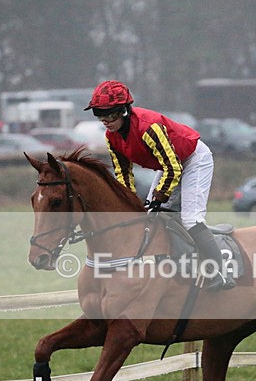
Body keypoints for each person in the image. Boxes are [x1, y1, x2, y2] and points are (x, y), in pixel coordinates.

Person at [84, 80, 235, 290]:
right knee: (151, 216)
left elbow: (174, 168)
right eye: (99, 114)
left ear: (125, 111)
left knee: (191, 219)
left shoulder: (149, 127)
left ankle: (220, 272)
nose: (105, 121)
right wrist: (126, 204)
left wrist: (159, 197)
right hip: (168, 165)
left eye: (109, 114)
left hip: (193, 159)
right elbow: (123, 174)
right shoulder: (111, 137)